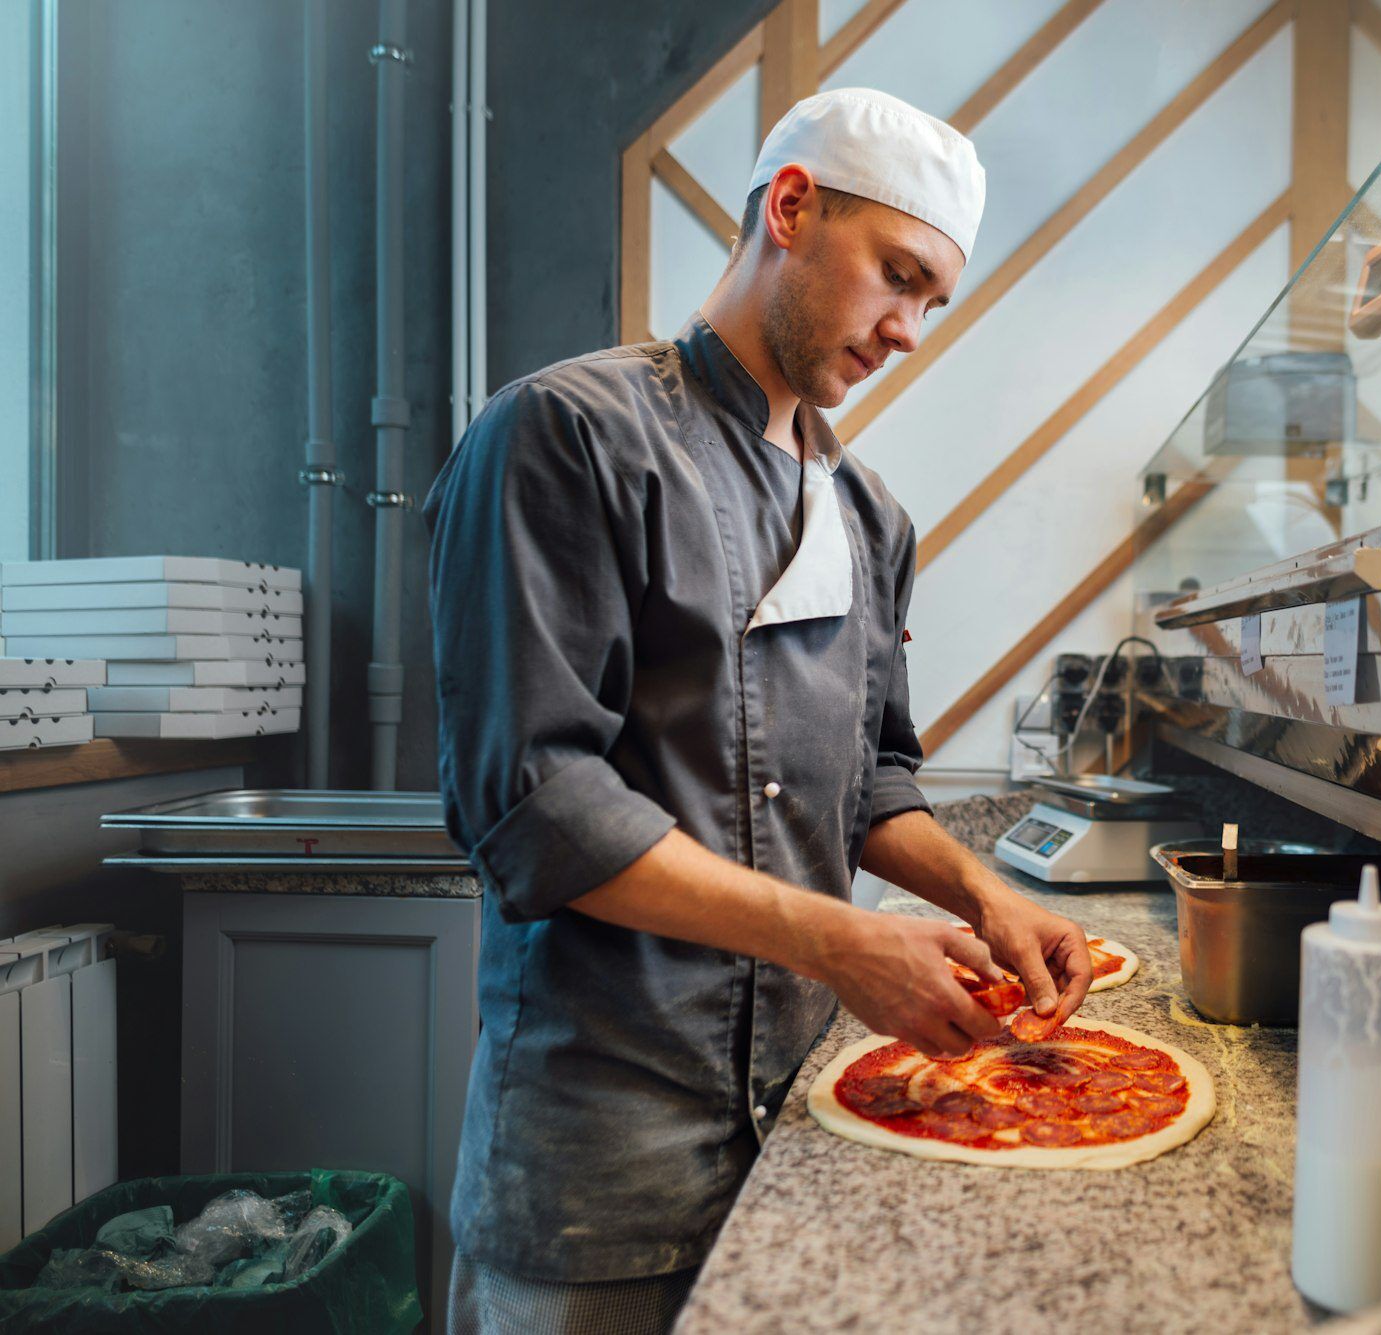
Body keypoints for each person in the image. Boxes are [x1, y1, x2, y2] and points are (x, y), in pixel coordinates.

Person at [424, 87, 1095, 1333]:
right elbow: (536, 808)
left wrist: (986, 896)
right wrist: (836, 941)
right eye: (895, 277)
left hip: (801, 1125)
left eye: (931, 303)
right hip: (602, 1161)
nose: (905, 331)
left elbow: (871, 777)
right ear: (790, 207)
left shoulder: (867, 513)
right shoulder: (568, 436)